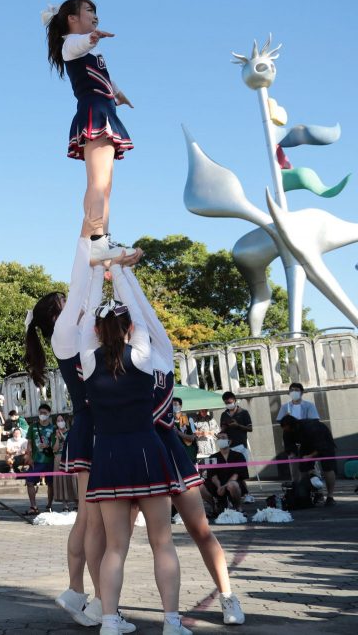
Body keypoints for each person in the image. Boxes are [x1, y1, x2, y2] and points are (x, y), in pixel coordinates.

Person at [123, 263, 245, 625]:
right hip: (138, 455)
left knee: (199, 528)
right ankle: (110, 608)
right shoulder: (117, 361)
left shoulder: (156, 354)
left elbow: (143, 312)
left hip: (168, 451)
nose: (137, 326)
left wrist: (122, 273)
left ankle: (227, 595)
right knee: (125, 540)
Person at [80, 261, 187, 635]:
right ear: (129, 329)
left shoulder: (87, 360)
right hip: (146, 451)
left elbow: (87, 323)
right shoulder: (141, 353)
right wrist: (120, 271)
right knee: (162, 542)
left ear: (96, 331)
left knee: (115, 547)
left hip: (108, 456)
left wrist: (97, 271)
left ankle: (109, 621)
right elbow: (142, 317)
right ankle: (171, 622)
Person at [25, 236, 106, 627]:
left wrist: (99, 258)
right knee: (92, 520)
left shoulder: (75, 333)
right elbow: (82, 288)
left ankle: (79, 591)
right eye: (68, 304)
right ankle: (96, 598)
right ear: (59, 313)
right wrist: (89, 238)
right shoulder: (65, 335)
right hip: (92, 426)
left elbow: (87, 294)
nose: (77, 306)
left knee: (88, 518)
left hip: (91, 424)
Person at [44, 0, 134, 264]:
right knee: (98, 182)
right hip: (95, 111)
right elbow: (78, 43)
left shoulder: (90, 52)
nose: (95, 16)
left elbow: (105, 78)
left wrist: (118, 94)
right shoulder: (71, 43)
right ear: (72, 18)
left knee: (105, 185)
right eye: (90, 11)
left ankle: (100, 240)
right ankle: (97, 241)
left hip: (105, 110)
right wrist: (91, 38)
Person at [280, 415, 338, 506]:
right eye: (284, 429)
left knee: (328, 468)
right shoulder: (287, 431)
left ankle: (330, 497)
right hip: (306, 444)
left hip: (325, 442)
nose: (285, 431)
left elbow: (321, 446)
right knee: (303, 467)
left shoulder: (311, 427)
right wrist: (292, 454)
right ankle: (306, 495)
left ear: (293, 425)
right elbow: (289, 446)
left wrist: (310, 456)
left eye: (287, 429)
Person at [199, 432, 248, 514]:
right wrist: (219, 487)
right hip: (217, 486)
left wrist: (224, 486)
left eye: (223, 438)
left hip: (233, 484)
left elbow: (236, 475)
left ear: (230, 441)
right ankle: (214, 507)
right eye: (219, 438)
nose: (220, 440)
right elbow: (213, 475)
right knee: (200, 487)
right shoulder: (212, 457)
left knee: (232, 484)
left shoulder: (239, 456)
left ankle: (238, 507)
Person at [26, 404, 57, 515]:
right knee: (29, 482)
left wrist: (48, 445)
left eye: (44, 413)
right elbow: (29, 443)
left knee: (50, 484)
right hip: (36, 460)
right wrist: (29, 456)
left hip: (49, 460)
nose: (42, 415)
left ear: (49, 414)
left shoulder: (53, 428)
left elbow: (55, 445)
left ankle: (49, 505)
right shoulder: (32, 427)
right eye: (40, 413)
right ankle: (33, 506)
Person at [52, 415, 77, 509]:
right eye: (58, 421)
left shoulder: (71, 432)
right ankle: (65, 504)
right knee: (61, 480)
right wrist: (57, 439)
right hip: (59, 457)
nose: (60, 422)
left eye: (61, 420)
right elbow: (54, 449)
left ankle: (77, 502)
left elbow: (72, 444)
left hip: (70, 456)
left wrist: (62, 437)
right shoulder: (54, 434)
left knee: (73, 479)